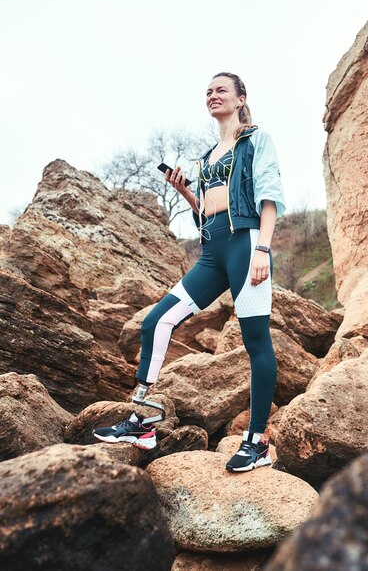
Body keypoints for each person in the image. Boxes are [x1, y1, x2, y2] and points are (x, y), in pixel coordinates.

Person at [93, 72, 286, 472]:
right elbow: (206, 211)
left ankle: (258, 441)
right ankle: (143, 420)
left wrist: (264, 248)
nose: (213, 96)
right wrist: (185, 191)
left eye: (221, 90)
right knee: (155, 321)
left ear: (240, 98)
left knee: (255, 340)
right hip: (213, 252)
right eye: (208, 92)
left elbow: (269, 195)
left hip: (248, 244)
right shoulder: (208, 154)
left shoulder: (257, 140)